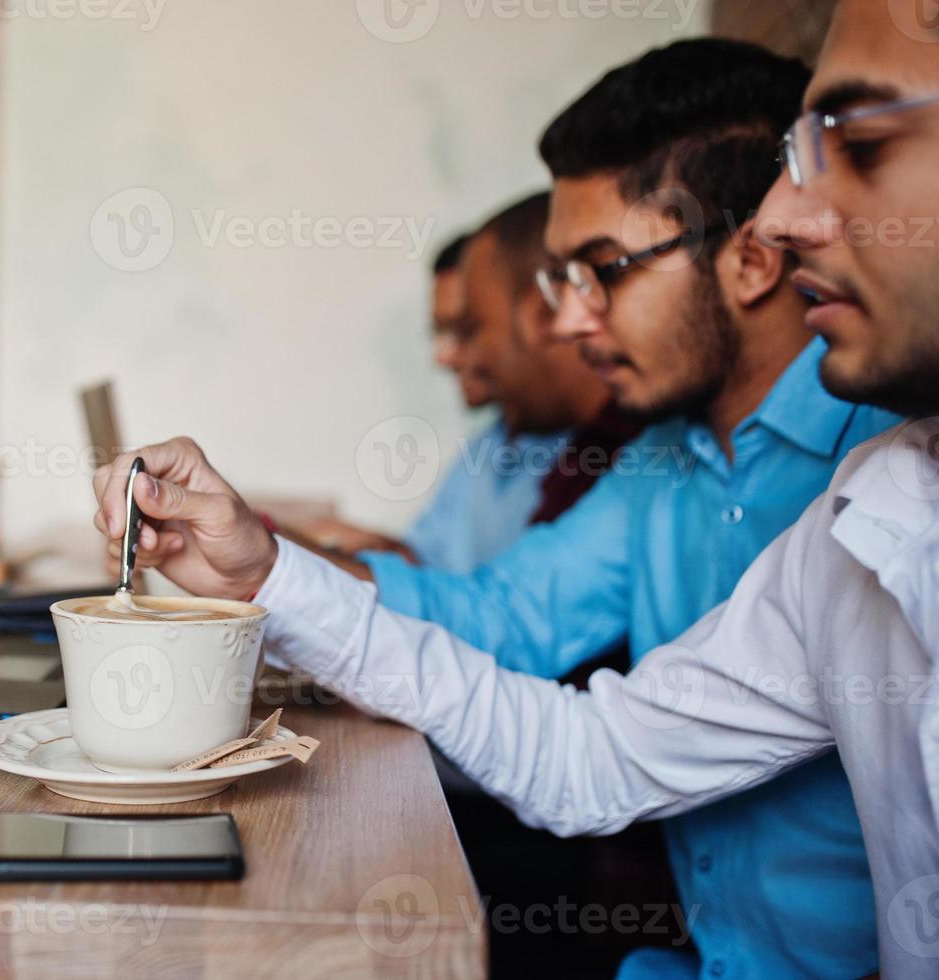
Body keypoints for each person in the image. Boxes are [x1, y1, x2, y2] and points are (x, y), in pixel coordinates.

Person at [93, 3, 939, 975]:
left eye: (602, 271)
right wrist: (266, 570)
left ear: (747, 260)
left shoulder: (864, 481)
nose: (567, 323)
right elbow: (548, 686)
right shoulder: (855, 505)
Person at [298, 195, 631, 577]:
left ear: (542, 314)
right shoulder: (494, 444)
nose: (456, 357)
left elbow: (507, 615)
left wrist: (284, 564)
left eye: (468, 329)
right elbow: (471, 594)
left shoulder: (625, 455)